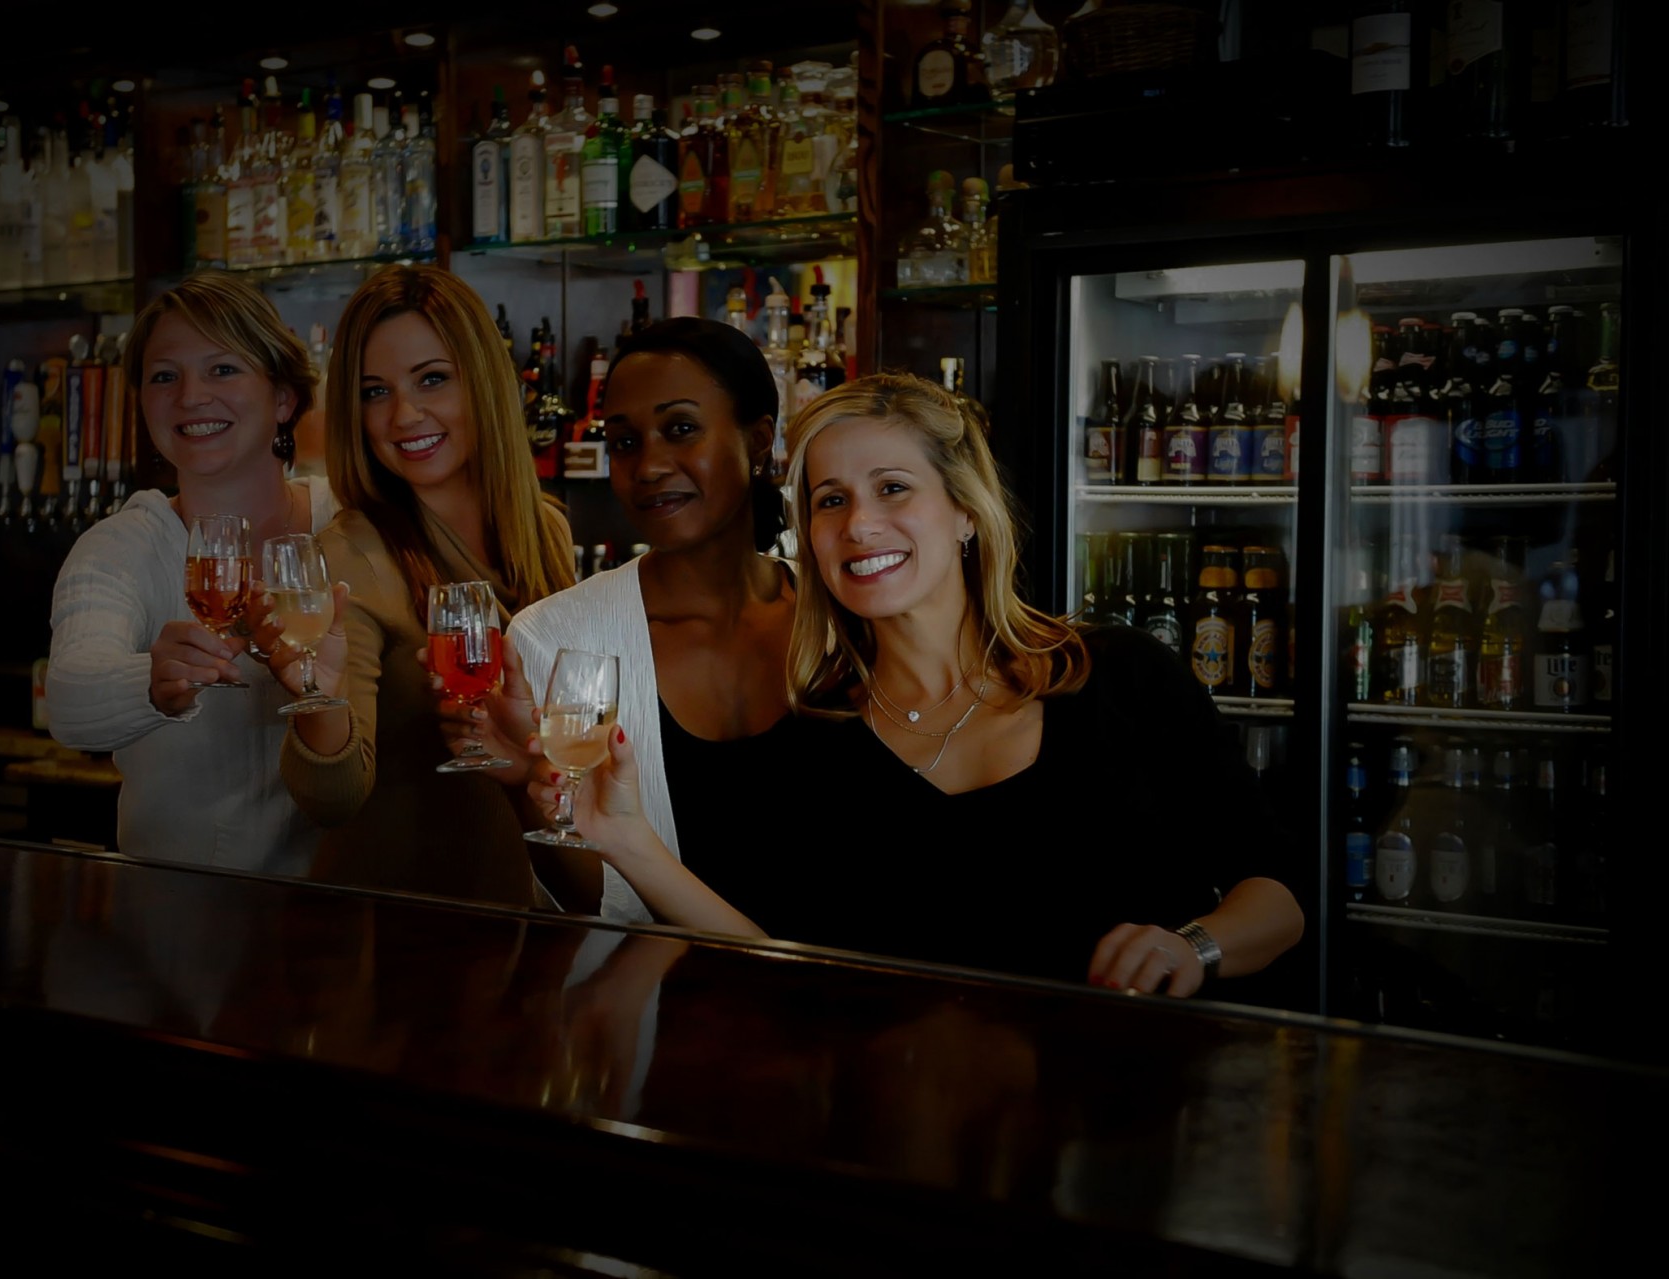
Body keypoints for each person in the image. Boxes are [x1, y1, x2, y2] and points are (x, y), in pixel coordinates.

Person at [524, 372, 1305, 995]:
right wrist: (624, 836)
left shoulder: (1120, 676)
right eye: (830, 501)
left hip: (1129, 1135)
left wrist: (1192, 946)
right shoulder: (811, 737)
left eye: (892, 488)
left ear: (966, 510)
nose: (859, 524)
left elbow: (1278, 895)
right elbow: (773, 956)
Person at [454, 317, 798, 922]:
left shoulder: (843, 616)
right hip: (658, 1007)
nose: (649, 467)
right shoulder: (555, 640)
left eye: (681, 429)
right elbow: (595, 908)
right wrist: (525, 782)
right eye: (625, 442)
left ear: (758, 438)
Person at [273, 265, 576, 906]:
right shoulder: (353, 553)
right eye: (374, 391)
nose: (404, 415)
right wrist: (318, 700)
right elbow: (331, 799)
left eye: (432, 380)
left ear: (483, 383)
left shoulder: (545, 531)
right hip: (396, 942)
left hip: (532, 932)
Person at [47, 271, 335, 876]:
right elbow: (69, 700)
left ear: (283, 397)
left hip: (344, 925)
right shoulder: (122, 546)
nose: (191, 396)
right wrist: (151, 682)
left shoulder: (346, 525)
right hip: (180, 927)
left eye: (222, 369)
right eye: (164, 376)